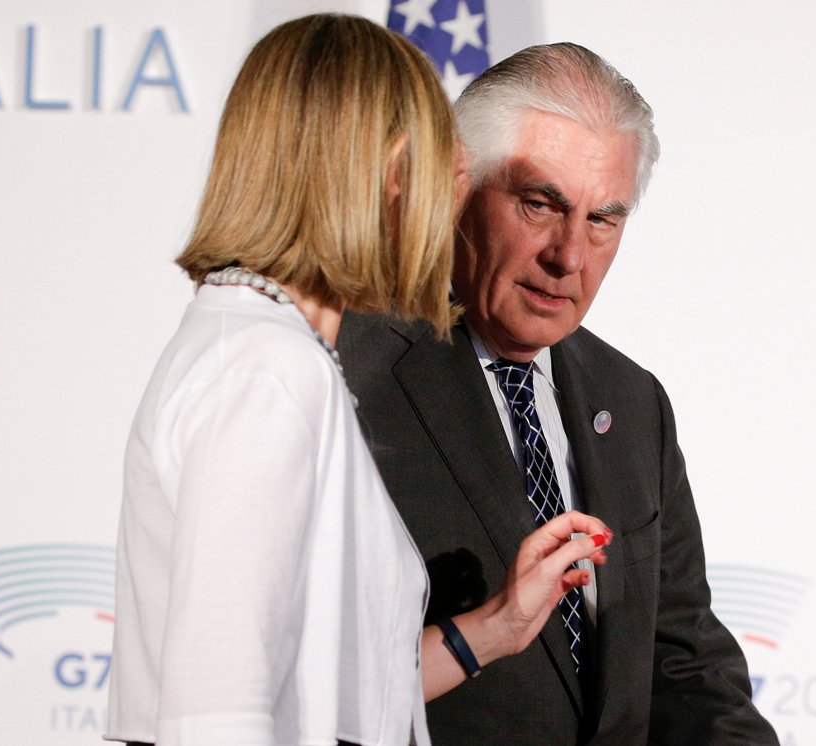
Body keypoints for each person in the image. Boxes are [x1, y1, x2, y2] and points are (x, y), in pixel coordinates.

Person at [105, 16, 613, 746]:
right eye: (451, 169)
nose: (458, 205)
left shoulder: (270, 350)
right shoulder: (267, 370)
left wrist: (496, 626)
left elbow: (331, 697)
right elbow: (217, 711)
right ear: (395, 173)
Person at [338, 42, 780, 744]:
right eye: (540, 204)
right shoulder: (347, 378)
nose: (569, 255)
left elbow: (684, 663)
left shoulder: (633, 403)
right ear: (458, 186)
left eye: (603, 219)